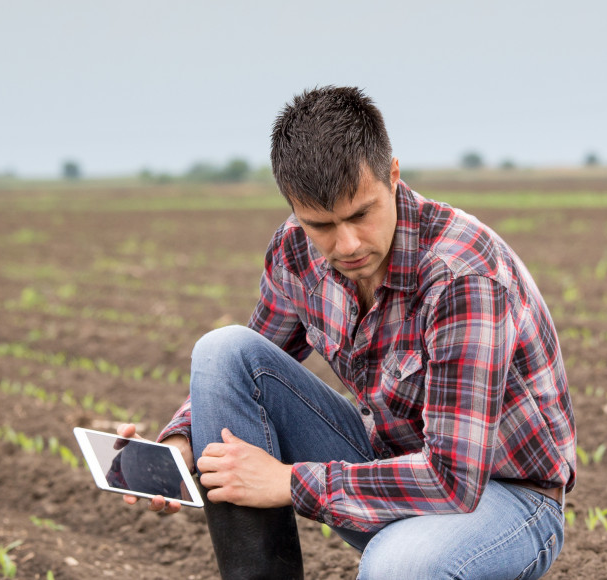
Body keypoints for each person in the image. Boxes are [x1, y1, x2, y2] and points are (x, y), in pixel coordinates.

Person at [117, 85, 575, 579]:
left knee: (398, 567)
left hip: (503, 498)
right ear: (294, 206)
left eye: (361, 214)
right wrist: (182, 444)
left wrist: (289, 482)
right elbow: (246, 373)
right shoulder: (296, 251)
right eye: (322, 224)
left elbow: (452, 482)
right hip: (389, 464)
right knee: (223, 351)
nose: (348, 243)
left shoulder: (462, 276)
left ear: (393, 175)